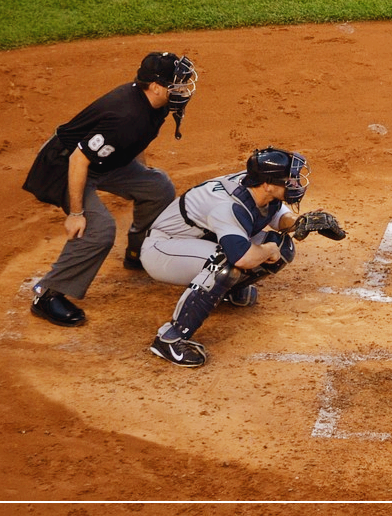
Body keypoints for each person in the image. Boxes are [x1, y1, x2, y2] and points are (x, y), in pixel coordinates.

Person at [22, 51, 198, 327]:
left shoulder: (158, 104)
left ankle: (137, 253)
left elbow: (136, 141)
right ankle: (47, 294)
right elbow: (78, 159)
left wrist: (141, 174)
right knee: (99, 229)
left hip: (105, 162)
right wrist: (77, 213)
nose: (183, 88)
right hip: (63, 166)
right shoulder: (125, 116)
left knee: (157, 187)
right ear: (155, 86)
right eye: (176, 83)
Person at [141, 147, 341, 367]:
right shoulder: (228, 206)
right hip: (163, 249)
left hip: (202, 240)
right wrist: (268, 250)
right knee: (226, 264)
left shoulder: (259, 189)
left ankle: (224, 291)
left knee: (283, 247)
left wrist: (299, 223)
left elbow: (277, 215)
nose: (295, 184)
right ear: (268, 183)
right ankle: (170, 338)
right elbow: (243, 258)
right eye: (289, 180)